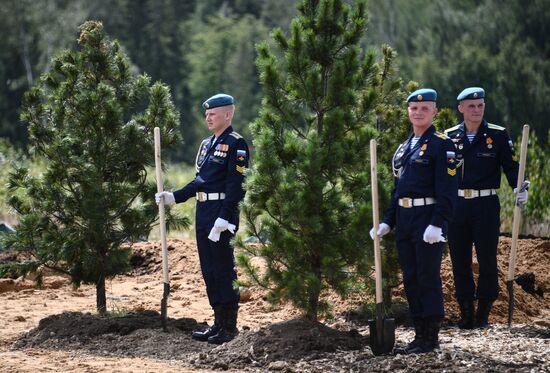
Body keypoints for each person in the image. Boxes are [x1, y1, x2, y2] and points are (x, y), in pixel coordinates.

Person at [156, 93, 249, 344]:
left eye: (213, 113)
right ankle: (217, 323)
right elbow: (200, 182)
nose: (208, 117)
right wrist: (174, 197)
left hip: (221, 211)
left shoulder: (236, 144)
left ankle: (230, 327)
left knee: (223, 268)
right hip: (203, 211)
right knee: (209, 269)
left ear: (227, 115)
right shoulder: (208, 144)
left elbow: (236, 184)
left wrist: (226, 217)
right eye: (206, 114)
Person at [370, 88, 458, 354]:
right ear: (408, 112)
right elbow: (398, 190)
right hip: (405, 219)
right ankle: (419, 335)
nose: (418, 113)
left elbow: (448, 189)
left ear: (434, 112)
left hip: (427, 219)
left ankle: (430, 337)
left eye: (424, 109)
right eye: (413, 109)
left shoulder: (443, 144)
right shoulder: (404, 147)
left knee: (427, 277)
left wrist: (438, 223)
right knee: (411, 278)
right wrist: (387, 221)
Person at [444, 87, 528, 329]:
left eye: (480, 105)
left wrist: (518, 187)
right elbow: (441, 173)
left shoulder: (497, 135)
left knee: (487, 260)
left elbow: (511, 168)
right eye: (471, 106)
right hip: (457, 205)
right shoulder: (449, 137)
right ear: (460, 108)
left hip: (485, 205)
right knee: (459, 261)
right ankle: (466, 313)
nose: (477, 110)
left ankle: (483, 314)